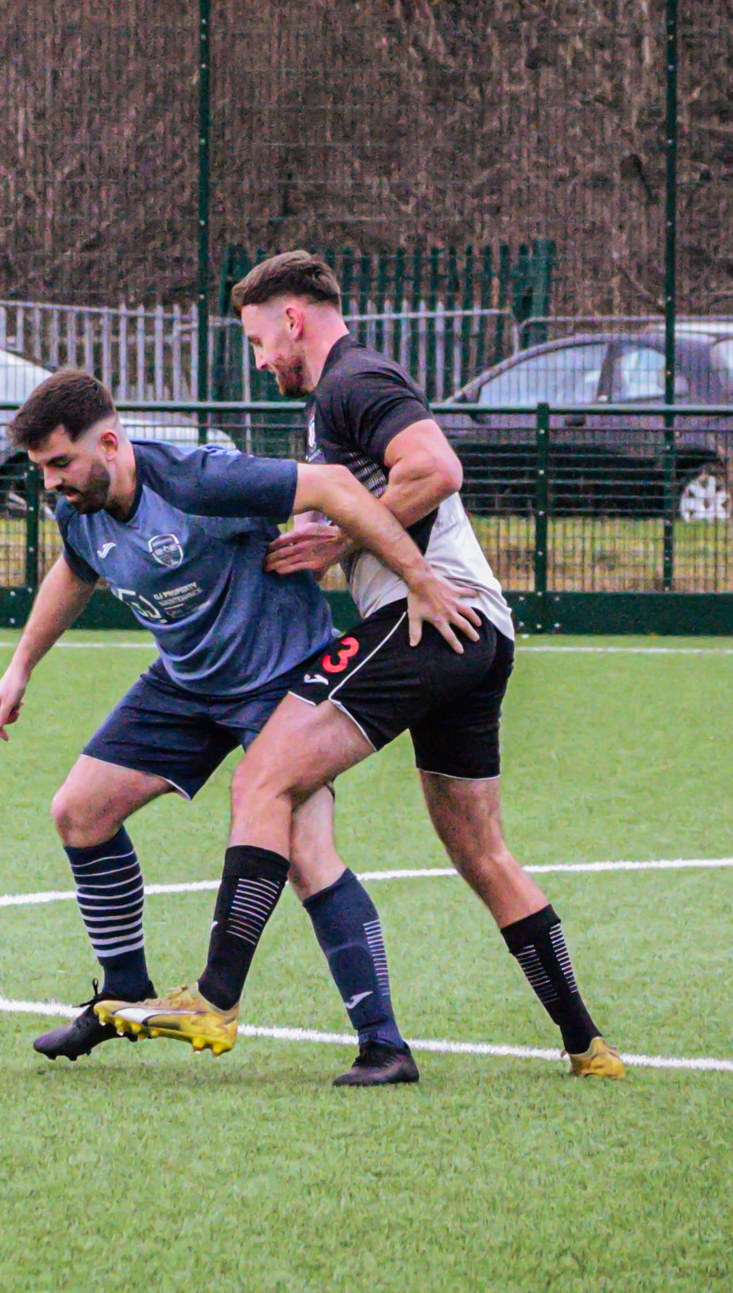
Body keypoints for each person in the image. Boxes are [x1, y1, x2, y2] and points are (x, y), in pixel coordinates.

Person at [172, 250, 621, 1078]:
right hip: (478, 632)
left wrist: (343, 535)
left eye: (257, 338)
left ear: (292, 319)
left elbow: (436, 468)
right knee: (479, 851)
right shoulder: (341, 393)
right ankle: (587, 1044)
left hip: (427, 615)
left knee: (262, 778)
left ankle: (216, 996)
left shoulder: (354, 379)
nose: (259, 357)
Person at [0, 367, 480, 1087]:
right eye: (41, 469)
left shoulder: (200, 479)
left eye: (60, 463)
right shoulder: (78, 507)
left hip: (283, 684)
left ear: (112, 443)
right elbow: (75, 571)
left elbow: (337, 486)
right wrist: (20, 666)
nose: (51, 482)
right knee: (79, 811)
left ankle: (385, 1044)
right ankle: (123, 989)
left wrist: (419, 578)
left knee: (311, 856)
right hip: (185, 682)